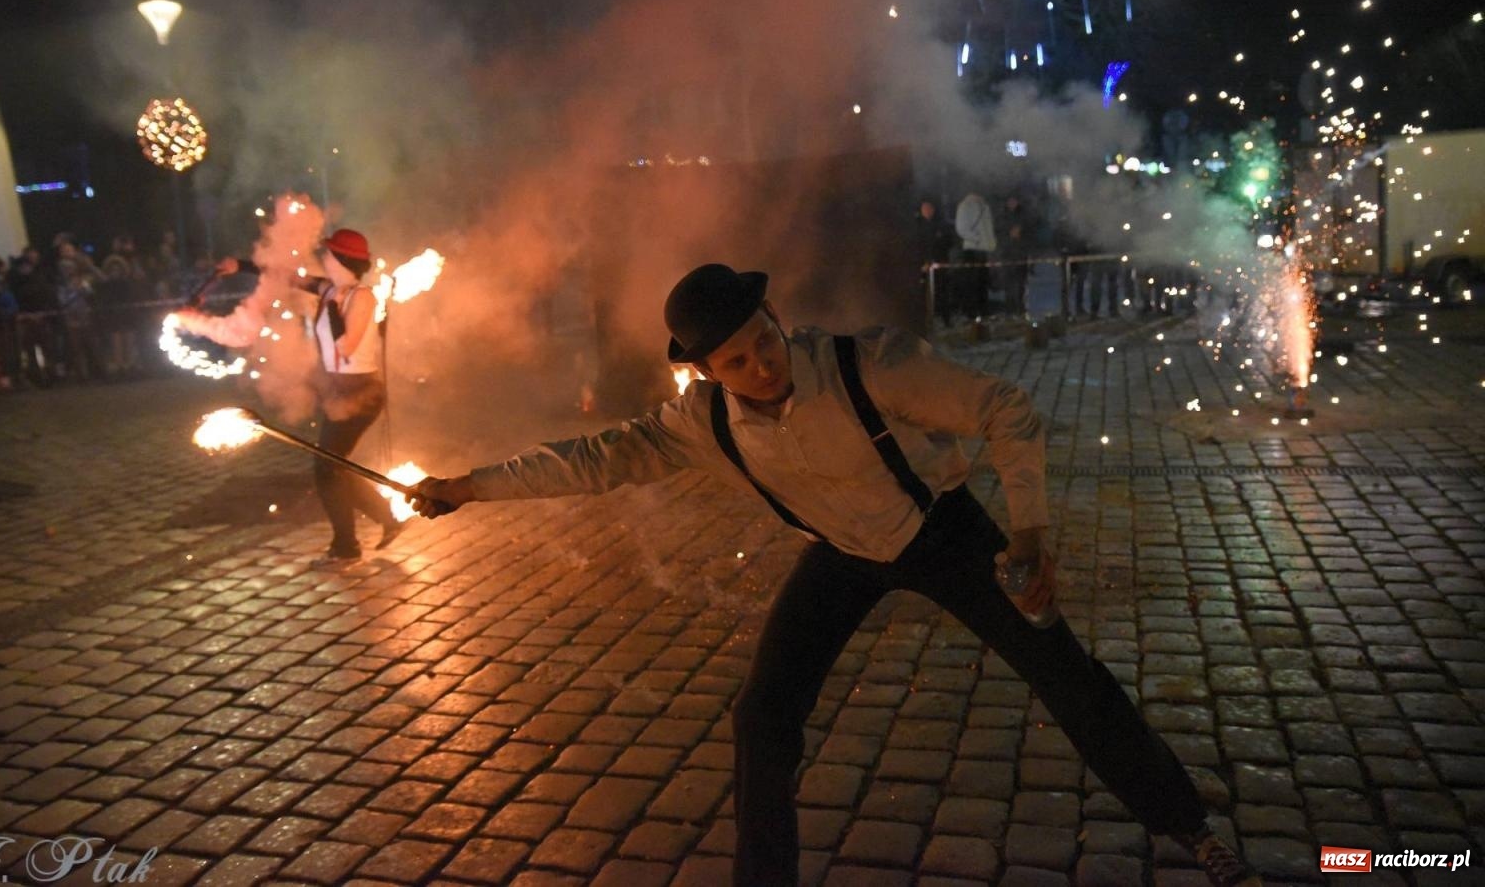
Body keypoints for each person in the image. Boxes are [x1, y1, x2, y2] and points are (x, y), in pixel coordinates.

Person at [407, 263, 1261, 887]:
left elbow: (1006, 407)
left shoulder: (867, 364)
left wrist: (1030, 531)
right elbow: (593, 460)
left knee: (1065, 675)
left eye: (765, 342)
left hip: (945, 533)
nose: (763, 367)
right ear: (702, 372)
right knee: (763, 714)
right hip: (843, 556)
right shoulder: (700, 420)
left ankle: (1190, 829)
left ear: (778, 319)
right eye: (737, 362)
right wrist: (466, 488)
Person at [214, 228, 406, 565]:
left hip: (360, 392)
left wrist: (331, 309)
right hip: (338, 389)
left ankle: (347, 546)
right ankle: (386, 520)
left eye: (329, 254)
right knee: (336, 466)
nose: (324, 259)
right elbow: (287, 277)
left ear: (342, 260)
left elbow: (346, 348)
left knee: (327, 468)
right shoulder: (329, 289)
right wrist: (240, 265)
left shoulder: (362, 298)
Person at [912, 196, 954, 326]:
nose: (927, 211)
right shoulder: (917, 226)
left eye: (930, 208)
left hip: (940, 264)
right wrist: (922, 262)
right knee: (923, 294)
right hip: (923, 266)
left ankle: (946, 319)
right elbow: (916, 246)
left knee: (942, 292)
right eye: (925, 208)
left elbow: (949, 242)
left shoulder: (941, 225)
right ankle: (924, 320)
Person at [954, 189, 996, 319]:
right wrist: (976, 238)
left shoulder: (985, 206)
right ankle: (972, 312)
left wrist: (991, 243)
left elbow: (989, 226)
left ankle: (983, 310)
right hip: (973, 249)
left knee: (983, 282)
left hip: (984, 249)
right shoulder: (965, 205)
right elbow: (961, 228)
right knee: (972, 282)